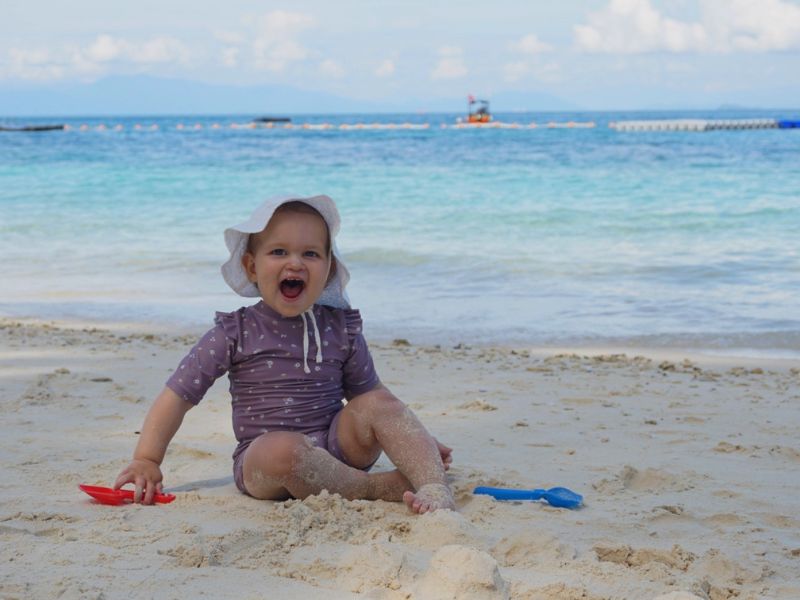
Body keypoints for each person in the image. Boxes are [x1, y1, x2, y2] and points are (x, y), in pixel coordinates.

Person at [114, 194, 455, 513]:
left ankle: (432, 486)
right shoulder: (234, 332)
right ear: (251, 267)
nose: (295, 262)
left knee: (378, 404)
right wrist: (147, 458)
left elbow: (374, 398)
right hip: (267, 463)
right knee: (281, 450)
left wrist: (413, 438)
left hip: (339, 449)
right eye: (278, 252)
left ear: (329, 269)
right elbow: (177, 396)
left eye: (310, 254)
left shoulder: (340, 328)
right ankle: (373, 488)